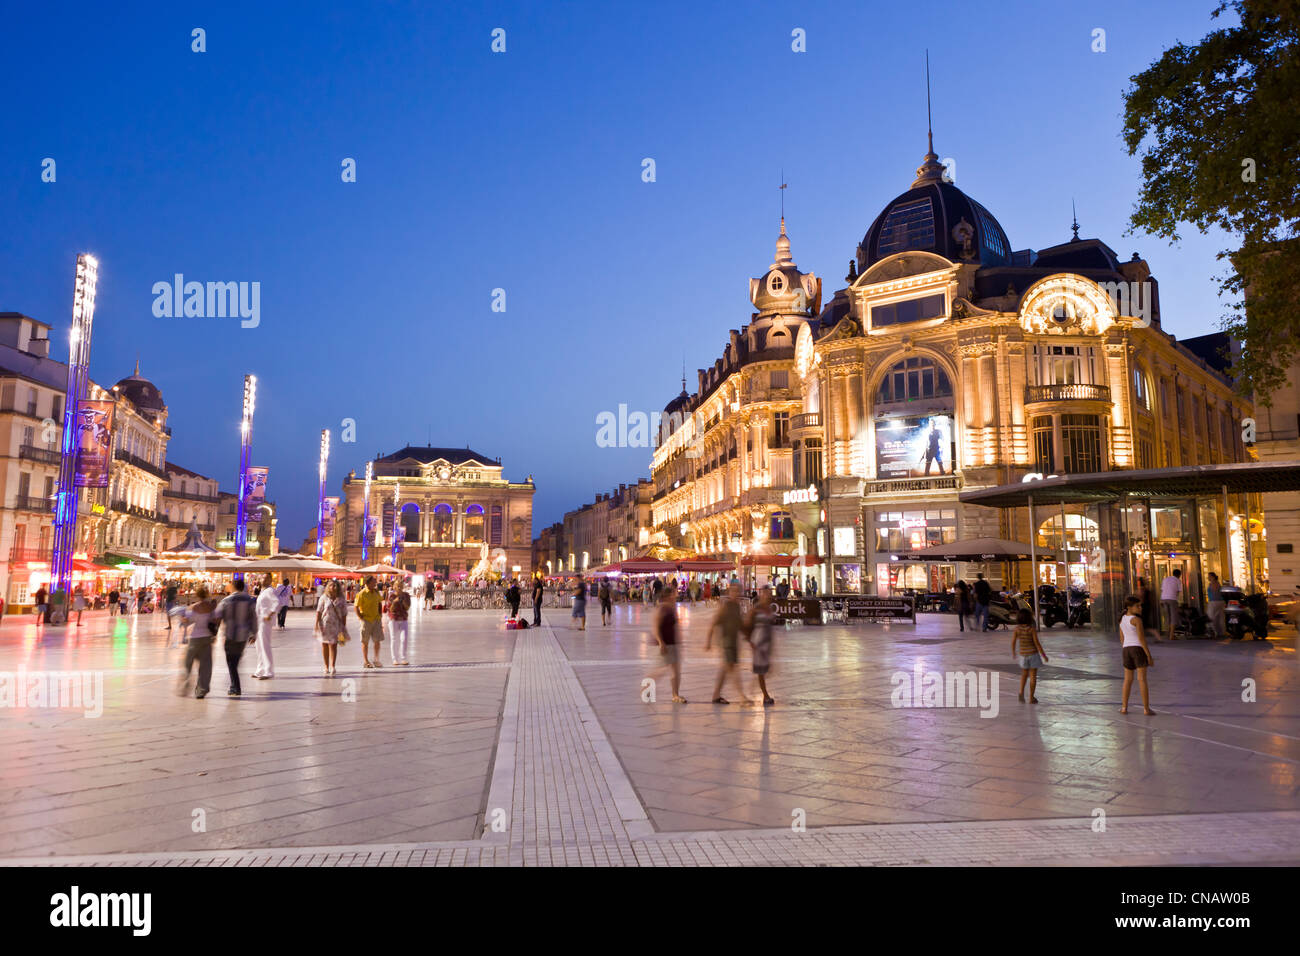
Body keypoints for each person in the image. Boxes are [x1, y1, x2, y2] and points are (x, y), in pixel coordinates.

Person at [706, 583, 750, 704]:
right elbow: (714, 623)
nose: (735, 594)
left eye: (737, 591)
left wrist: (749, 638)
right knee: (733, 669)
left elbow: (740, 625)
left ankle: (716, 695)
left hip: (733, 642)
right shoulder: (725, 607)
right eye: (733, 591)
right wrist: (708, 642)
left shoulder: (737, 607)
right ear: (729, 593)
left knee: (725, 669)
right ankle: (742, 696)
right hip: (726, 643)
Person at [213, 579, 256, 697]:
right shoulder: (250, 600)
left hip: (230, 634)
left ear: (233, 587)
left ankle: (236, 687)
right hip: (243, 636)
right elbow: (254, 618)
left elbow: (217, 616)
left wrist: (214, 633)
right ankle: (234, 685)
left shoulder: (226, 600)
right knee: (235, 661)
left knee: (231, 662)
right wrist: (254, 634)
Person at [176, 586, 219, 699]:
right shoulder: (211, 608)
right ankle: (201, 690)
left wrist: (181, 618)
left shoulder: (193, 607)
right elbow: (215, 621)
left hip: (194, 638)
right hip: (206, 638)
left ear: (197, 595)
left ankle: (185, 685)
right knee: (205, 665)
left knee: (187, 663)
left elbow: (187, 621)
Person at [647, 586, 686, 703]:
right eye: (674, 594)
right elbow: (656, 627)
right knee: (660, 670)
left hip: (672, 643)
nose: (676, 595)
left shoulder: (672, 608)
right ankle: (646, 688)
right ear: (669, 596)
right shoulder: (662, 608)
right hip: (665, 644)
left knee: (675, 670)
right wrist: (661, 643)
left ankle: (675, 695)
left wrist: (679, 641)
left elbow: (675, 626)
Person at [1119, 595, 1155, 715]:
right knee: (1142, 680)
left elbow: (1122, 639)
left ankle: (1124, 707)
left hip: (1126, 650)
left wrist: (1126, 648)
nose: (1140, 608)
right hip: (1137, 649)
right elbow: (1141, 639)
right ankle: (1146, 709)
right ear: (1129, 607)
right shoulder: (1136, 620)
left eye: (1140, 605)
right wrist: (1148, 655)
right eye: (1137, 606)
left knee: (1127, 680)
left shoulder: (1122, 619)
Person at [745, 585, 777, 706]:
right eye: (766, 593)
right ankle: (766, 696)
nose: (768, 596)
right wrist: (750, 640)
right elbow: (747, 624)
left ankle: (752, 690)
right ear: (761, 594)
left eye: (769, 594)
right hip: (758, 643)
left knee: (764, 670)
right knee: (761, 671)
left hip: (766, 643)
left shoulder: (769, 608)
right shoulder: (756, 609)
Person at [1011, 607, 1049, 703]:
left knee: (1024, 675)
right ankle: (1031, 697)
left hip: (1023, 655)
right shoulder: (1031, 629)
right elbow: (1037, 643)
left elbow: (1013, 642)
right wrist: (1044, 655)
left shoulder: (1016, 629)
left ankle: (1021, 692)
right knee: (1033, 676)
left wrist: (1013, 652)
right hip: (1033, 655)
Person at [315, 579, 348, 676]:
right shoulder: (323, 597)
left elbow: (344, 614)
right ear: (327, 587)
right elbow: (319, 611)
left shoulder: (341, 599)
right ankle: (326, 666)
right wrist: (316, 624)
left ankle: (332, 666)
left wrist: (343, 627)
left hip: (336, 625)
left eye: (335, 586)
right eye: (331, 585)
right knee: (325, 645)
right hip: (324, 624)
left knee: (333, 645)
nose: (333, 587)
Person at [251, 573, 278, 680]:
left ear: (271, 580)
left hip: (264, 622)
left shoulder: (270, 591)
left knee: (265, 646)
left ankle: (269, 671)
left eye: (267, 578)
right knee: (259, 646)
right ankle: (260, 670)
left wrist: (269, 615)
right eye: (262, 577)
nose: (264, 579)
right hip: (258, 621)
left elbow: (276, 603)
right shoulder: (263, 591)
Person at [355, 575, 384, 668]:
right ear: (367, 583)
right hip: (366, 620)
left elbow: (380, 603)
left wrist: (380, 615)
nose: (375, 583)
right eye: (373, 582)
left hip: (376, 619)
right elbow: (356, 606)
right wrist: (360, 617)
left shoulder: (376, 592)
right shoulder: (361, 594)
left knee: (377, 640)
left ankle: (376, 659)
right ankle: (366, 661)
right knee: (365, 641)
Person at [387, 580, 411, 665]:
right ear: (394, 587)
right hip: (394, 619)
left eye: (401, 586)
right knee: (394, 639)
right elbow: (390, 609)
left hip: (403, 618)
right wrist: (395, 601)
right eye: (397, 586)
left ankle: (403, 658)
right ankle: (394, 659)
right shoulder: (391, 596)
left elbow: (407, 607)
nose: (399, 587)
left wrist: (403, 600)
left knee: (403, 639)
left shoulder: (406, 595)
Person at [1160, 568, 1183, 641]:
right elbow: (1178, 592)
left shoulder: (1165, 579)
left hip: (1163, 599)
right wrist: (1178, 601)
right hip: (1172, 599)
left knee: (1167, 617)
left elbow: (1162, 589)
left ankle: (1167, 634)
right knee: (1173, 617)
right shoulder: (1178, 581)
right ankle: (1171, 636)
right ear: (1179, 575)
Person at [1206, 571, 1225, 639]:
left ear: (1213, 577)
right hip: (1220, 602)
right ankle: (1221, 632)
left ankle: (1213, 632)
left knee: (1210, 617)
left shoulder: (1213, 583)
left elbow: (1215, 592)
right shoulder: (1217, 583)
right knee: (1219, 617)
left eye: (1209, 576)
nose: (1208, 577)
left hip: (1214, 602)